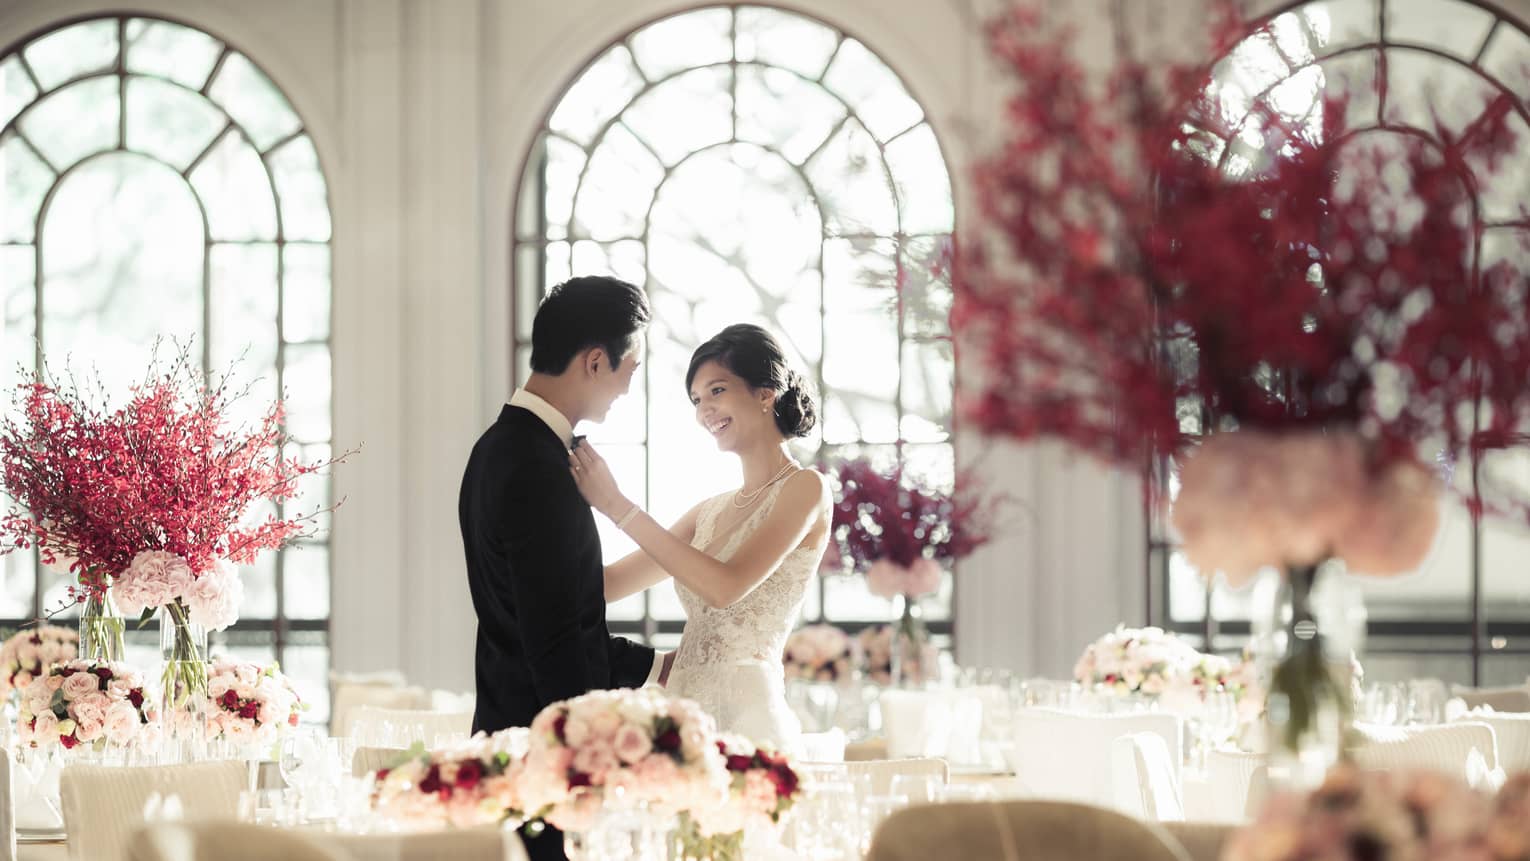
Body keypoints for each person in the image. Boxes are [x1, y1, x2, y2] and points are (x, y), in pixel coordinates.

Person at [569, 323, 830, 753]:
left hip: (748, 720)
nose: (704, 409)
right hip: (683, 714)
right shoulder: (706, 512)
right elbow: (607, 586)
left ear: (766, 393)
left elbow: (725, 586)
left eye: (717, 391)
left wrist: (616, 504)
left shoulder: (807, 488)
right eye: (696, 399)